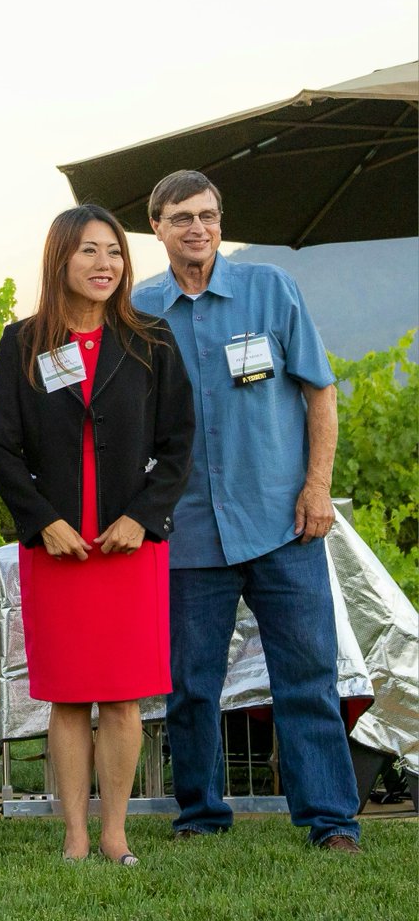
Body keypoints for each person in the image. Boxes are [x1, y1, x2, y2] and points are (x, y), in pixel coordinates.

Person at [131, 170, 363, 854]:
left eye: (206, 215)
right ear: (159, 228)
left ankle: (330, 820)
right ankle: (201, 815)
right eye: (180, 218)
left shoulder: (271, 290)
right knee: (191, 686)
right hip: (188, 532)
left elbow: (320, 394)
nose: (196, 228)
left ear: (220, 222)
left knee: (307, 678)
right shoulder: (139, 310)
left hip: (282, 525)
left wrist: (317, 489)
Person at [0, 205, 194, 864]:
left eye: (114, 253)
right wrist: (44, 521)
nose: (105, 265)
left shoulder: (151, 339)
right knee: (69, 698)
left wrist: (143, 515)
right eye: (89, 252)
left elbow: (180, 441)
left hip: (130, 546)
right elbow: (2, 447)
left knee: (124, 696)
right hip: (57, 548)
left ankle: (116, 833)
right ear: (60, 261)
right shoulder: (23, 343)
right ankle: (75, 835)